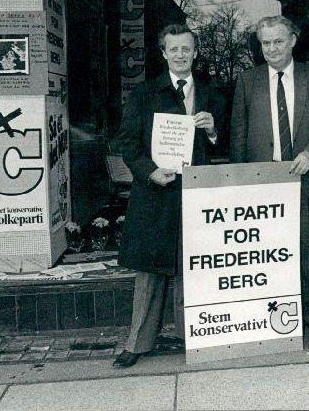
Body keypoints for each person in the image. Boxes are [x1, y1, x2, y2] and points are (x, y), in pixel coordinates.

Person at [113, 24, 225, 368]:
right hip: (155, 192)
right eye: (173, 49)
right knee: (149, 269)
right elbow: (127, 144)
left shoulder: (211, 91)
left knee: (191, 266)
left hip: (194, 193)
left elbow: (228, 142)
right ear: (163, 53)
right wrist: (149, 171)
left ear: (195, 52)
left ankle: (190, 338)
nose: (180, 55)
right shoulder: (144, 93)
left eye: (186, 49)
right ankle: (137, 343)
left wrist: (212, 131)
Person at [230, 15, 309, 337]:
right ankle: (269, 323)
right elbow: (238, 134)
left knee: (305, 254)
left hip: (303, 176)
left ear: (292, 39)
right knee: (266, 254)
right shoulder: (247, 81)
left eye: (278, 41)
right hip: (263, 183)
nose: (272, 48)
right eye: (265, 43)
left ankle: (306, 322)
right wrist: (241, 183)